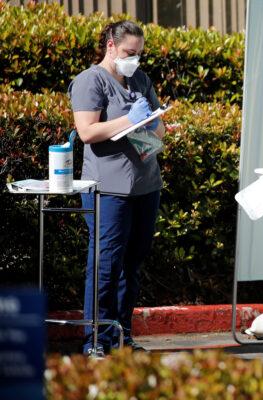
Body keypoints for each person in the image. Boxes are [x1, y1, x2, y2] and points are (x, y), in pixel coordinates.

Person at [68, 20, 165, 356]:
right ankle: (95, 339)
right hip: (108, 189)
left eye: (138, 54)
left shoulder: (140, 79)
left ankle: (121, 336)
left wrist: (151, 127)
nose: (134, 60)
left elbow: (158, 128)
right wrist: (130, 119)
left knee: (132, 264)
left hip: (145, 185)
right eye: (128, 53)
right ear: (111, 45)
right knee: (106, 264)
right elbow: (87, 131)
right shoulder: (89, 81)